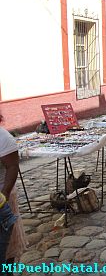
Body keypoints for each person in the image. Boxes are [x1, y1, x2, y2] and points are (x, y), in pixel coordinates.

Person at [0, 114, 27, 267]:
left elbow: (12, 166)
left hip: (2, 201)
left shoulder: (3, 137)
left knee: (5, 249)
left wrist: (4, 195)